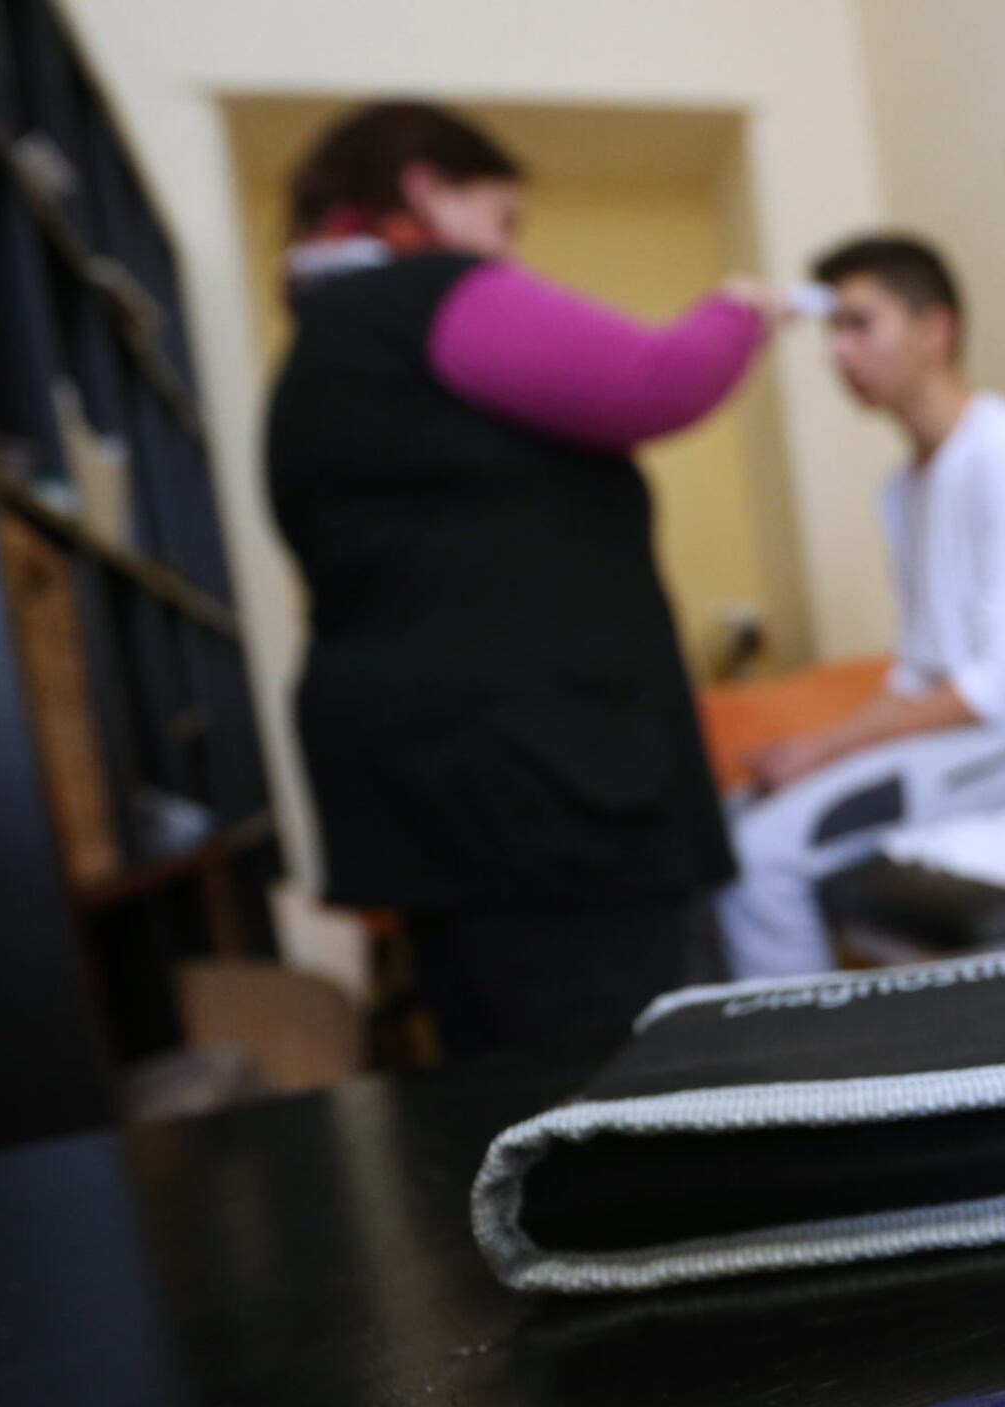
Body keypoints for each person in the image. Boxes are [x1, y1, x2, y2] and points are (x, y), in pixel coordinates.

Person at [264, 102, 791, 1055]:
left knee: (502, 1080)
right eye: (502, 223)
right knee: (603, 1082)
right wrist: (742, 309)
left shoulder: (326, 343)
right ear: (428, 189)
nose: (505, 260)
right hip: (540, 791)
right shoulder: (427, 295)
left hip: (439, 791)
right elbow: (655, 380)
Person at [718, 235, 1005, 978]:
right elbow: (917, 673)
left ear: (935, 331)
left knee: (758, 859)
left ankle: (805, 1087)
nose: (837, 352)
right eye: (829, 330)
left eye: (858, 323)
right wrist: (812, 750)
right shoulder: (903, 491)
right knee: (733, 818)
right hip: (971, 741)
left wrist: (824, 750)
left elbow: (1003, 686)